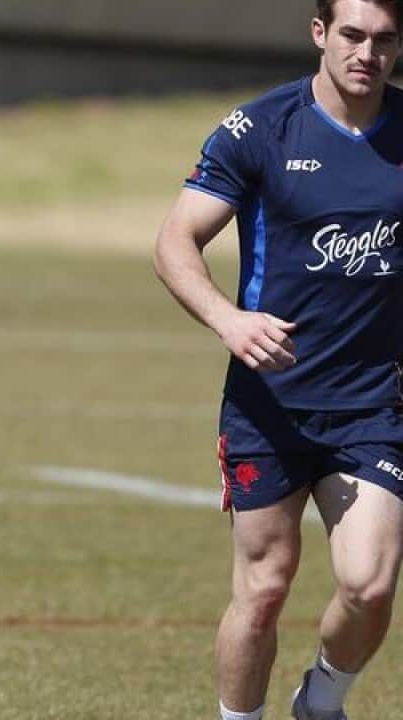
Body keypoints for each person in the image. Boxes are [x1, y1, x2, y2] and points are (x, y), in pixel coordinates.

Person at [154, 1, 403, 718]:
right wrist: (228, 320)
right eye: (352, 35)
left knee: (370, 583)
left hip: (371, 404)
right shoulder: (260, 128)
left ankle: (320, 701)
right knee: (263, 589)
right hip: (269, 403)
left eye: (385, 39)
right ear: (319, 33)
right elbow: (175, 242)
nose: (367, 53)